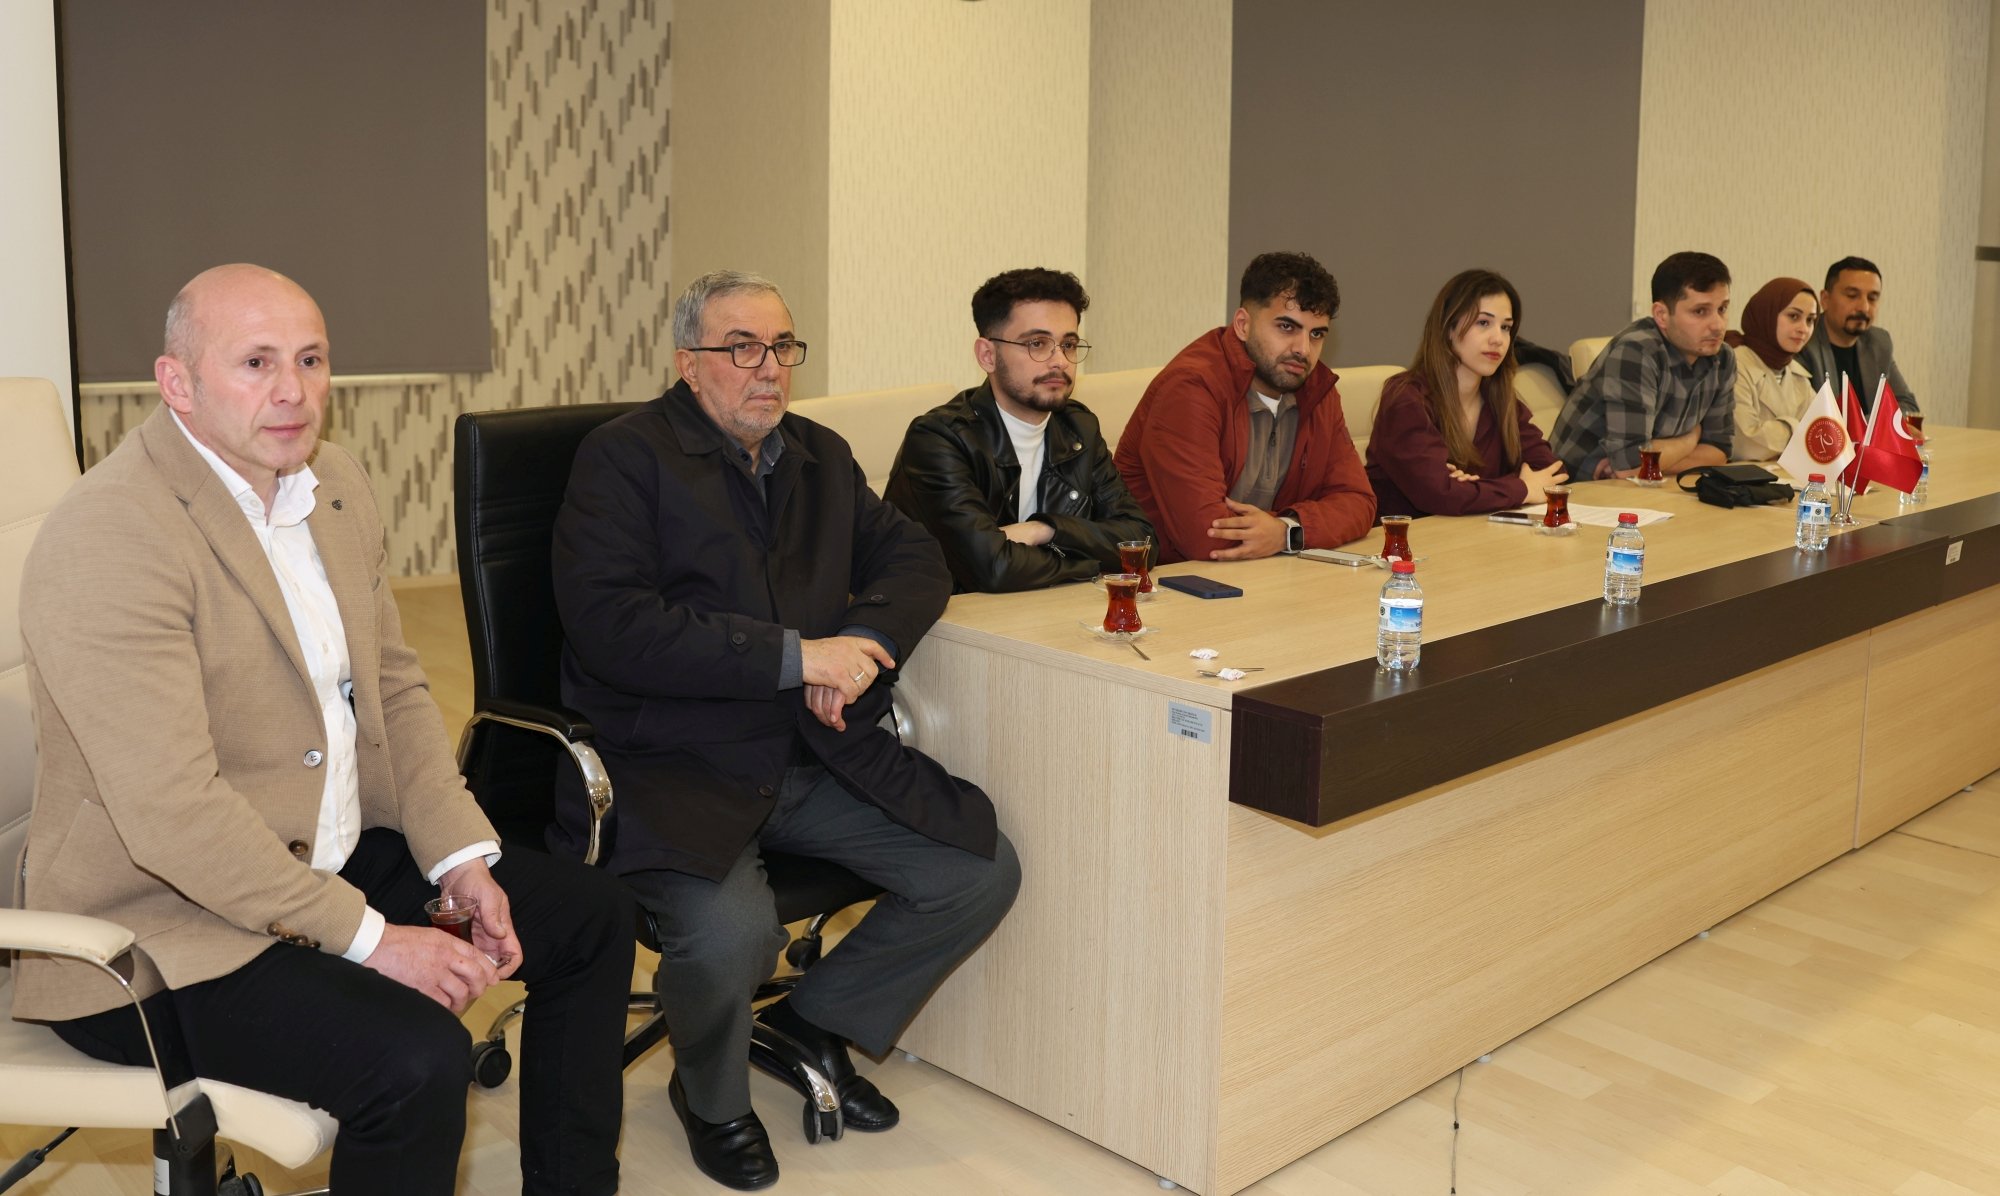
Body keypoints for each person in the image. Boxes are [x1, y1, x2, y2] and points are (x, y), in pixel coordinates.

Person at [15, 264, 636, 1196]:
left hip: (317, 853)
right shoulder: (111, 536)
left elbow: (393, 688)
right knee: (415, 1059)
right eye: (256, 362)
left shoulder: (331, 484)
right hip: (156, 933)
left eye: (310, 360)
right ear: (177, 383)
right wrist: (374, 940)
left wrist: (460, 857)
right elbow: (173, 815)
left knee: (591, 918)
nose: (293, 390)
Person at [551, 270, 1021, 1191]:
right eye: (741, 348)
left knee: (977, 870)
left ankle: (813, 1023)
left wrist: (865, 643)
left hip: (813, 752)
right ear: (688, 364)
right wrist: (797, 657)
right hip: (672, 764)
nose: (768, 368)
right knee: (735, 936)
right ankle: (711, 1096)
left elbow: (915, 557)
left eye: (782, 347)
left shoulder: (817, 455)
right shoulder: (622, 459)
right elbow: (612, 626)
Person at [884, 267, 1152, 592]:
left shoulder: (1078, 428)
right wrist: (1091, 565)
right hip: (949, 618)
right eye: (1037, 343)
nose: (1060, 361)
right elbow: (992, 568)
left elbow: (1140, 545)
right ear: (988, 355)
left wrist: (1046, 530)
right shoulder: (939, 439)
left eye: (1068, 344)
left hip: (1043, 609)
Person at [1113, 251, 1374, 564]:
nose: (1303, 350)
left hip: (1265, 573)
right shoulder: (1191, 388)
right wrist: (1290, 531)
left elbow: (1359, 502)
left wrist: (1286, 530)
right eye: (1287, 327)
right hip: (1167, 578)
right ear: (1242, 325)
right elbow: (1206, 536)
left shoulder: (1318, 390)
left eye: (1316, 334)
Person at [1364, 269, 1567, 517]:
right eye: (1483, 323)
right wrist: (1521, 488)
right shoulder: (1406, 399)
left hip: (1477, 533)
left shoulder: (1500, 400)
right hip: (1410, 538)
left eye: (1506, 327)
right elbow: (1440, 495)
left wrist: (1472, 490)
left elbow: (1551, 473)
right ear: (1449, 328)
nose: (1498, 339)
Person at [1549, 251, 1737, 481]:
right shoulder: (1637, 351)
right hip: (1578, 488)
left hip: (1641, 485)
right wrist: (1692, 438)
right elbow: (1631, 466)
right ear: (1661, 315)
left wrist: (1651, 460)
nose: (1718, 325)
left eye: (1722, 309)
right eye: (1700, 311)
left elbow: (1720, 452)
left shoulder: (1722, 357)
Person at [1796, 256, 1920, 417]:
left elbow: (1908, 405)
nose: (1864, 307)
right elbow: (1811, 418)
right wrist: (1875, 424)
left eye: (1872, 298)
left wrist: (1864, 425)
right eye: (1852, 295)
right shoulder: (1803, 342)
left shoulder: (1879, 342)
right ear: (1825, 299)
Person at [1725, 277, 1819, 462]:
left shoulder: (1798, 374)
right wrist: (1798, 430)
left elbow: (1823, 433)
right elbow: (1745, 445)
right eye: (1794, 316)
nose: (1804, 329)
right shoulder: (1734, 363)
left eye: (1810, 320)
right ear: (1766, 314)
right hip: (1742, 477)